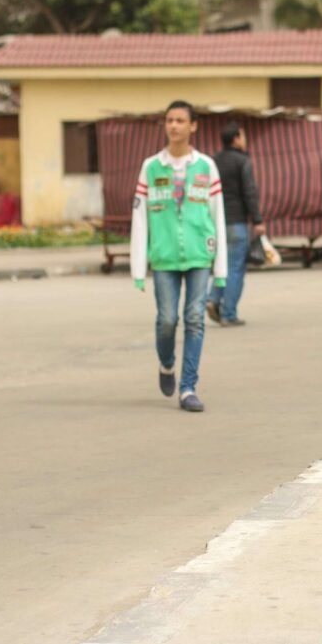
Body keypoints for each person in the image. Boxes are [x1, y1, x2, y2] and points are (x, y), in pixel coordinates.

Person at [130, 100, 227, 413]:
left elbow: (218, 216)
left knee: (195, 319)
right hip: (164, 257)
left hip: (200, 254)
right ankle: (167, 362)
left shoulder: (206, 167)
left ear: (193, 126)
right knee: (167, 320)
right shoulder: (151, 167)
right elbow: (140, 218)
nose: (174, 126)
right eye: (169, 120)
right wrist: (137, 266)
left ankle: (188, 388)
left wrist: (221, 266)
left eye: (180, 120)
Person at [206, 122, 265, 327]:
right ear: (236, 139)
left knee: (221, 265)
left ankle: (213, 299)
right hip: (236, 222)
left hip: (215, 222)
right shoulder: (243, 161)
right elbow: (250, 192)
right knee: (235, 268)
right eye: (243, 136)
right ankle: (228, 314)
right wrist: (257, 220)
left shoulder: (212, 161)